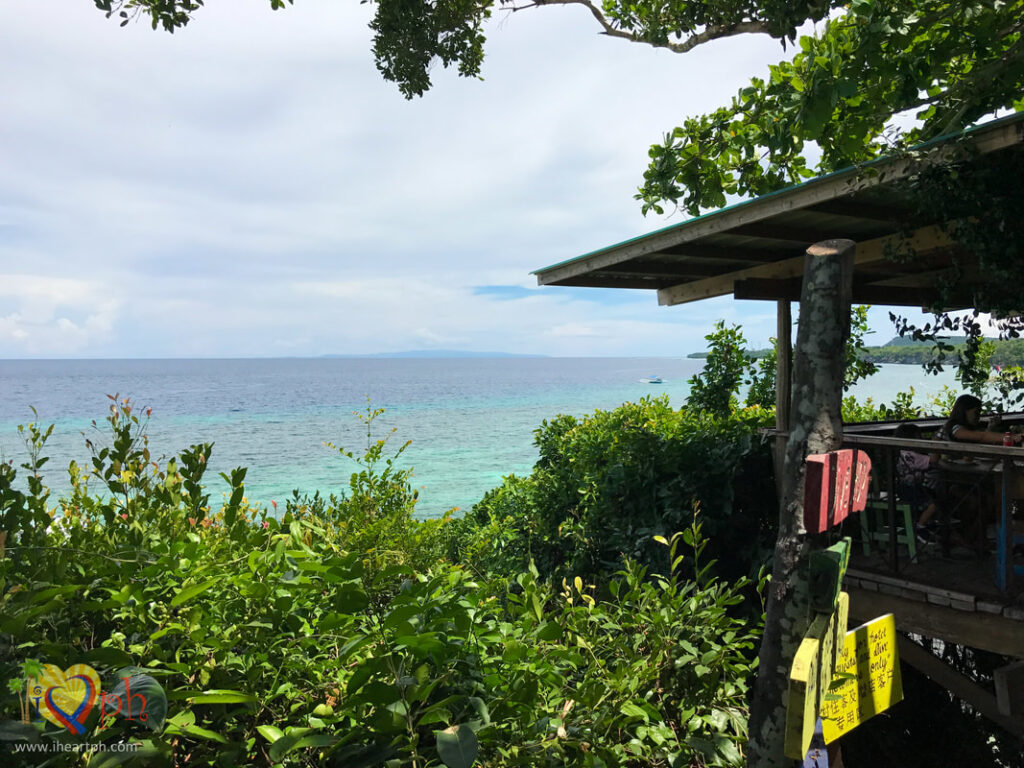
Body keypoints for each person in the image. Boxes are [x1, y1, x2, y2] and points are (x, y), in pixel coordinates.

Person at [892, 423, 939, 543]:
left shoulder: (903, 453)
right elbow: (933, 459)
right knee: (934, 504)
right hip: (911, 489)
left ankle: (927, 522)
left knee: (933, 494)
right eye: (919, 437)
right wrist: (935, 444)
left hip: (902, 488)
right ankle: (920, 527)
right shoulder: (912, 456)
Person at [938, 394, 1023, 445]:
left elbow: (979, 438)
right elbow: (982, 437)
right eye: (976, 413)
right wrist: (1012, 437)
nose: (978, 417)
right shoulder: (956, 430)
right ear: (964, 411)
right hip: (944, 473)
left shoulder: (950, 427)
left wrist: (990, 428)